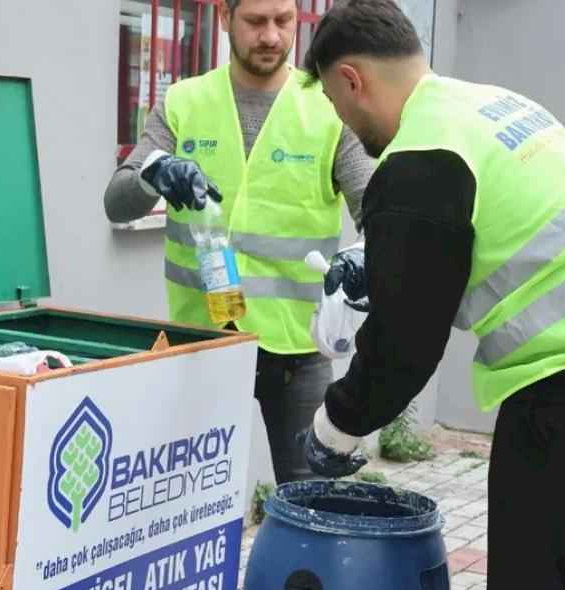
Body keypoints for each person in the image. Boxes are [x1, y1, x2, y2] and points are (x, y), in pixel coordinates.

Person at [297, 2, 565, 590]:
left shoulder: (418, 159)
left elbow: (403, 348)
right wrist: (382, 264)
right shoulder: (483, 105)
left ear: (350, 80)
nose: (343, 122)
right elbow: (485, 238)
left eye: (334, 104)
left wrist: (336, 428)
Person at [102, 0, 374, 485]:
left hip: (297, 348)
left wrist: (361, 258)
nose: (271, 36)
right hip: (200, 342)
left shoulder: (328, 106)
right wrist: (154, 172)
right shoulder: (184, 102)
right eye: (256, 21)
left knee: (311, 500)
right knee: (185, 499)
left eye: (283, 21)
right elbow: (117, 203)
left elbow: (377, 211)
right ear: (225, 18)